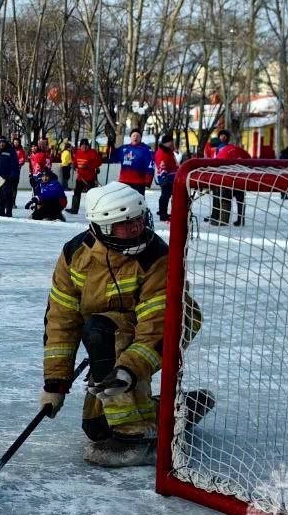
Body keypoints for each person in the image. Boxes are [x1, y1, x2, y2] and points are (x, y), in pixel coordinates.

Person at [39, 182, 207, 467]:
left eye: (138, 220)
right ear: (101, 228)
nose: (135, 229)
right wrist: (55, 383)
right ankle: (178, 410)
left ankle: (136, 436)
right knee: (97, 428)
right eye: (124, 225)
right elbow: (60, 320)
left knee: (102, 335)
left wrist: (128, 369)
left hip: (171, 323)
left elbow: (156, 323)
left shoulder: (157, 257)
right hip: (109, 329)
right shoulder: (74, 256)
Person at [112, 130, 154, 198]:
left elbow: (150, 165)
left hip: (138, 182)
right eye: (134, 136)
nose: (135, 137)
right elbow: (113, 158)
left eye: (138, 136)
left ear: (141, 138)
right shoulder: (124, 148)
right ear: (130, 137)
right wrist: (111, 145)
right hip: (124, 181)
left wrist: (148, 179)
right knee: (124, 201)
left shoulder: (146, 149)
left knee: (138, 202)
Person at [0, 136, 21, 218]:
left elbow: (15, 165)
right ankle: (0, 211)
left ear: (5, 143)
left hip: (7, 178)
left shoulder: (11, 151)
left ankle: (8, 212)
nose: (1, 144)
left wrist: (13, 175)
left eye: (2, 142)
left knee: (7, 194)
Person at [68, 138, 102, 215]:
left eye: (86, 145)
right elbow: (75, 161)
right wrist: (73, 165)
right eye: (82, 145)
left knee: (91, 194)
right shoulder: (78, 152)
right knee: (77, 193)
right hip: (80, 177)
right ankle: (74, 209)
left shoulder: (92, 152)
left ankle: (93, 210)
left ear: (88, 146)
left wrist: (88, 166)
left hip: (90, 177)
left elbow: (98, 162)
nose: (84, 147)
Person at [154, 134, 179, 222]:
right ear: (166, 143)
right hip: (166, 178)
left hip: (171, 177)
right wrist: (163, 177)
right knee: (165, 195)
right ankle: (162, 213)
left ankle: (163, 212)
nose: (172, 145)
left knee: (167, 195)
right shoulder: (162, 153)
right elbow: (162, 165)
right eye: (171, 143)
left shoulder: (169, 152)